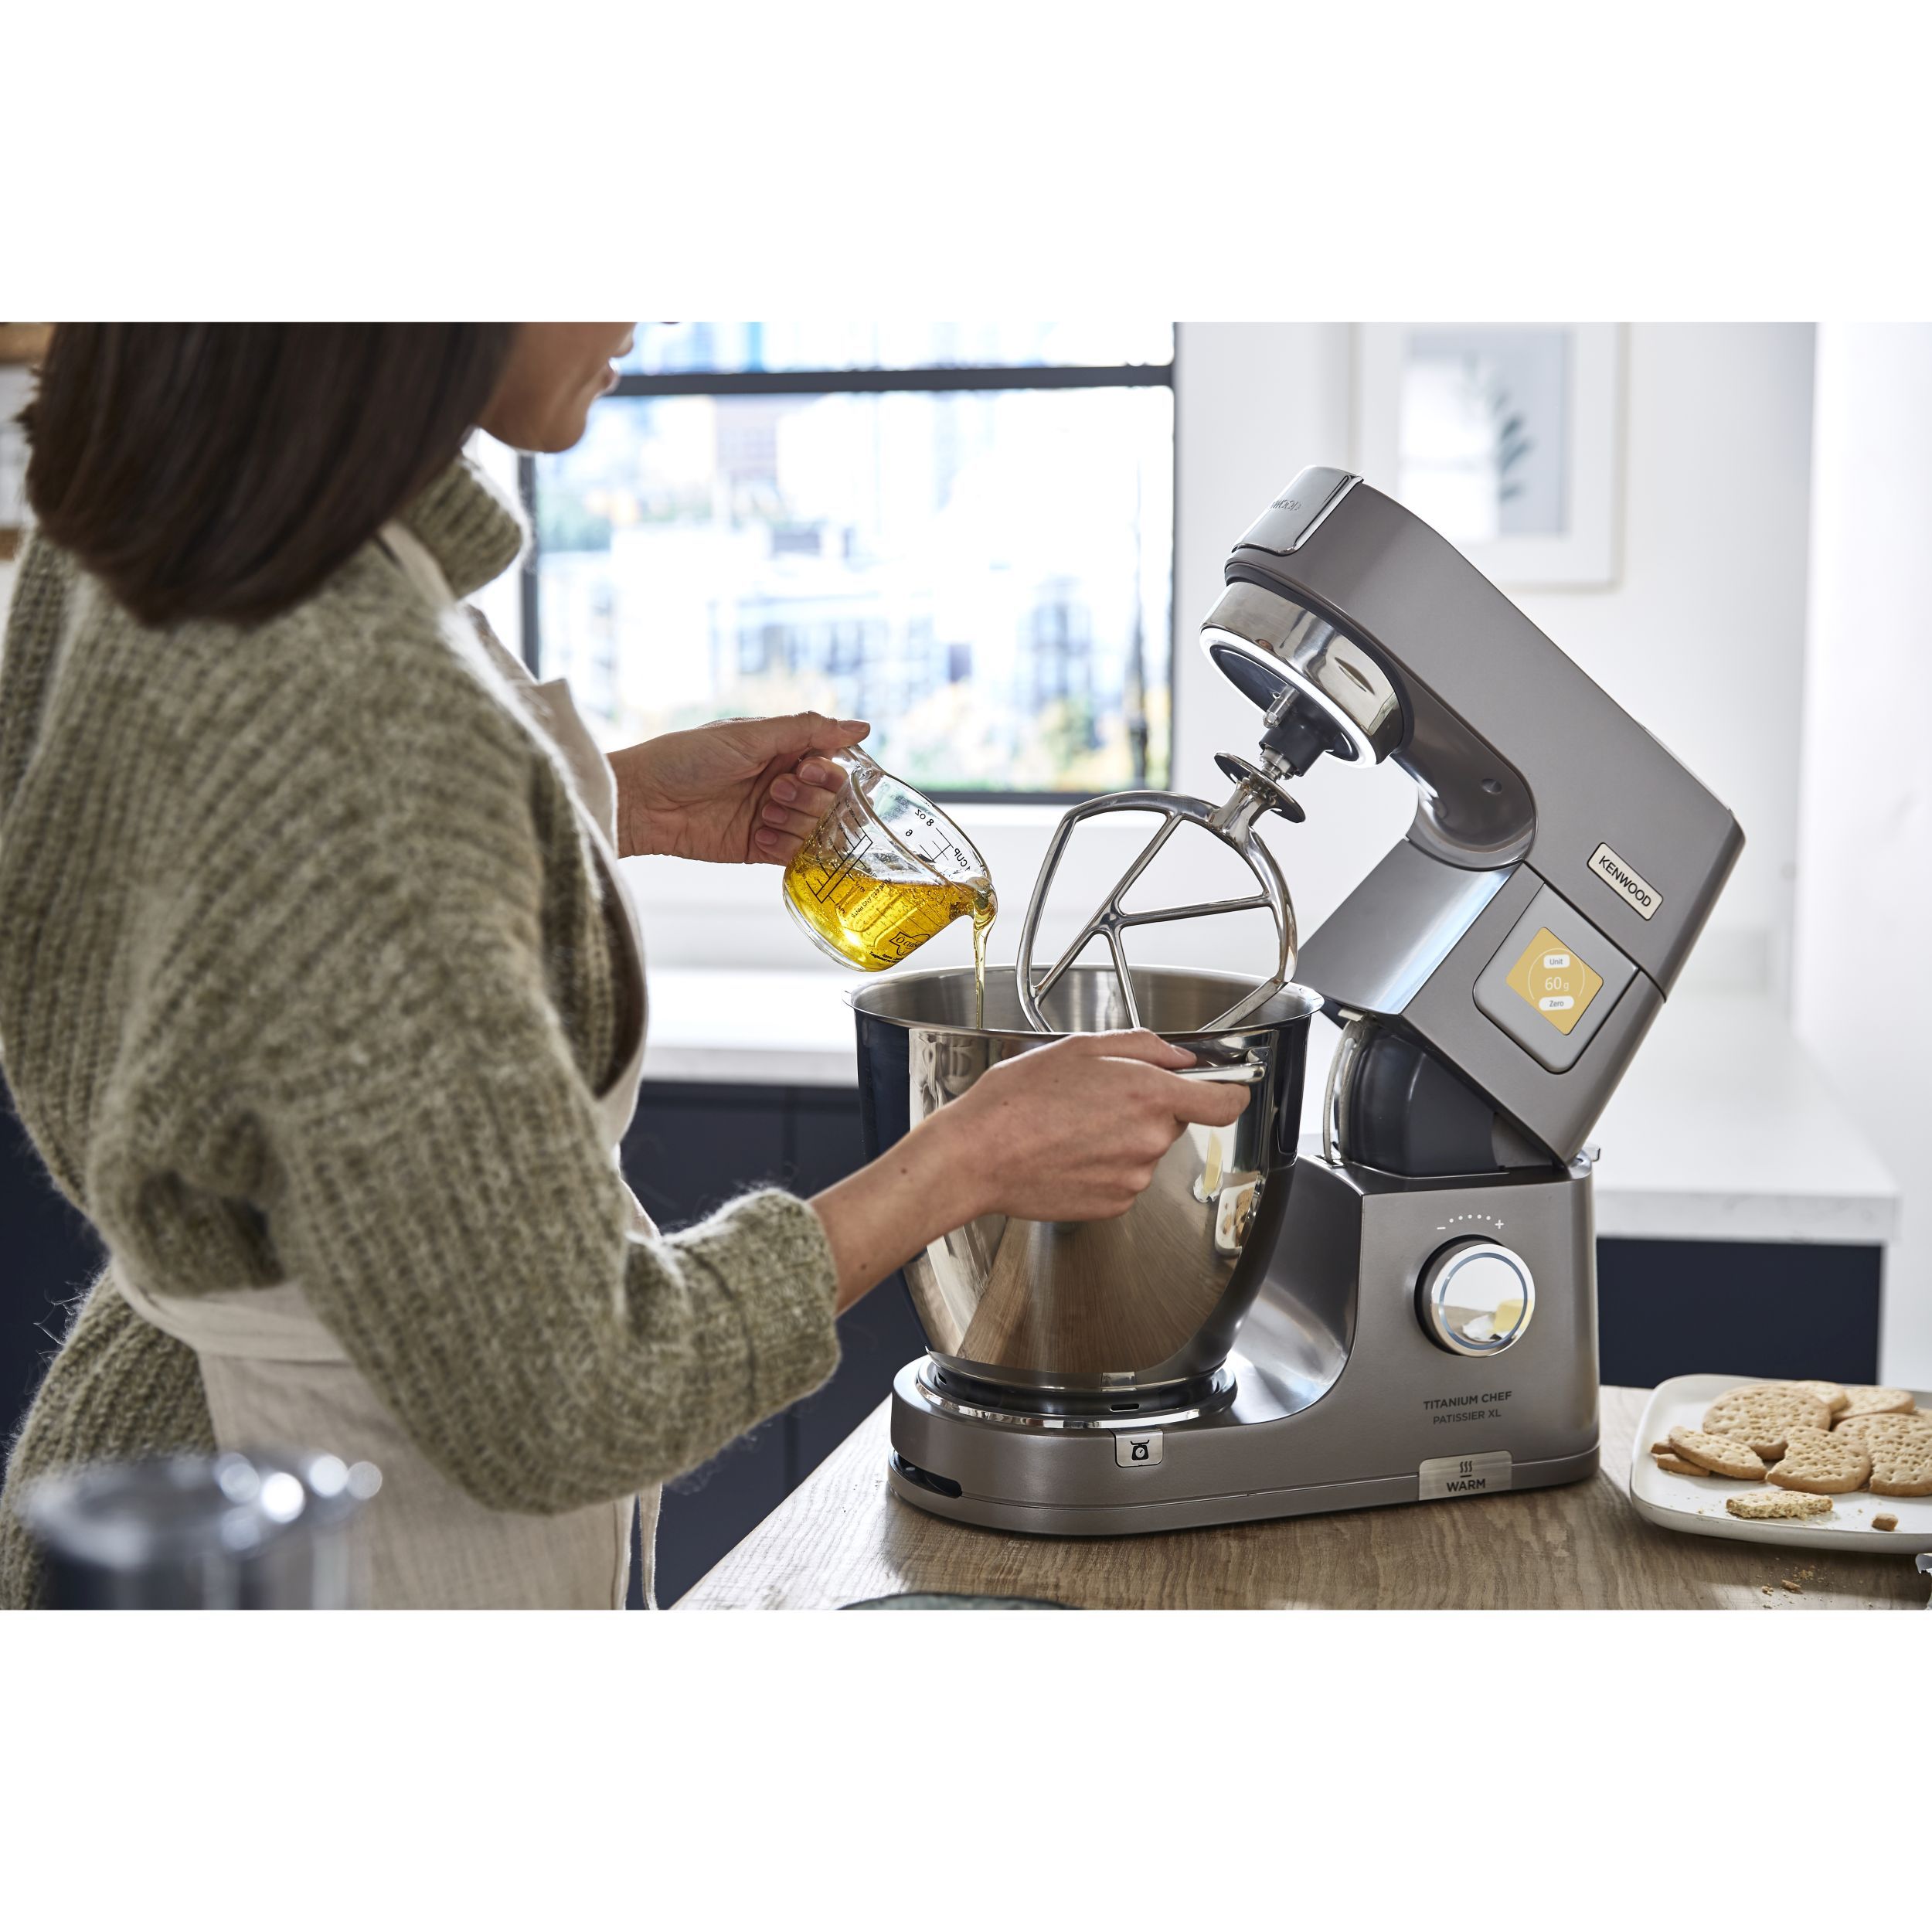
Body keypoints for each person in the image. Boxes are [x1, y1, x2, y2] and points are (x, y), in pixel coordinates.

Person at [0, 324, 1247, 1608]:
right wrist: (966, 1162)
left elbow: (234, 890)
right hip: (321, 1557)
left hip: (162, 1477)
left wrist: (600, 801)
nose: (642, 312)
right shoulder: (365, 708)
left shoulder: (173, 500)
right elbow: (570, 1390)